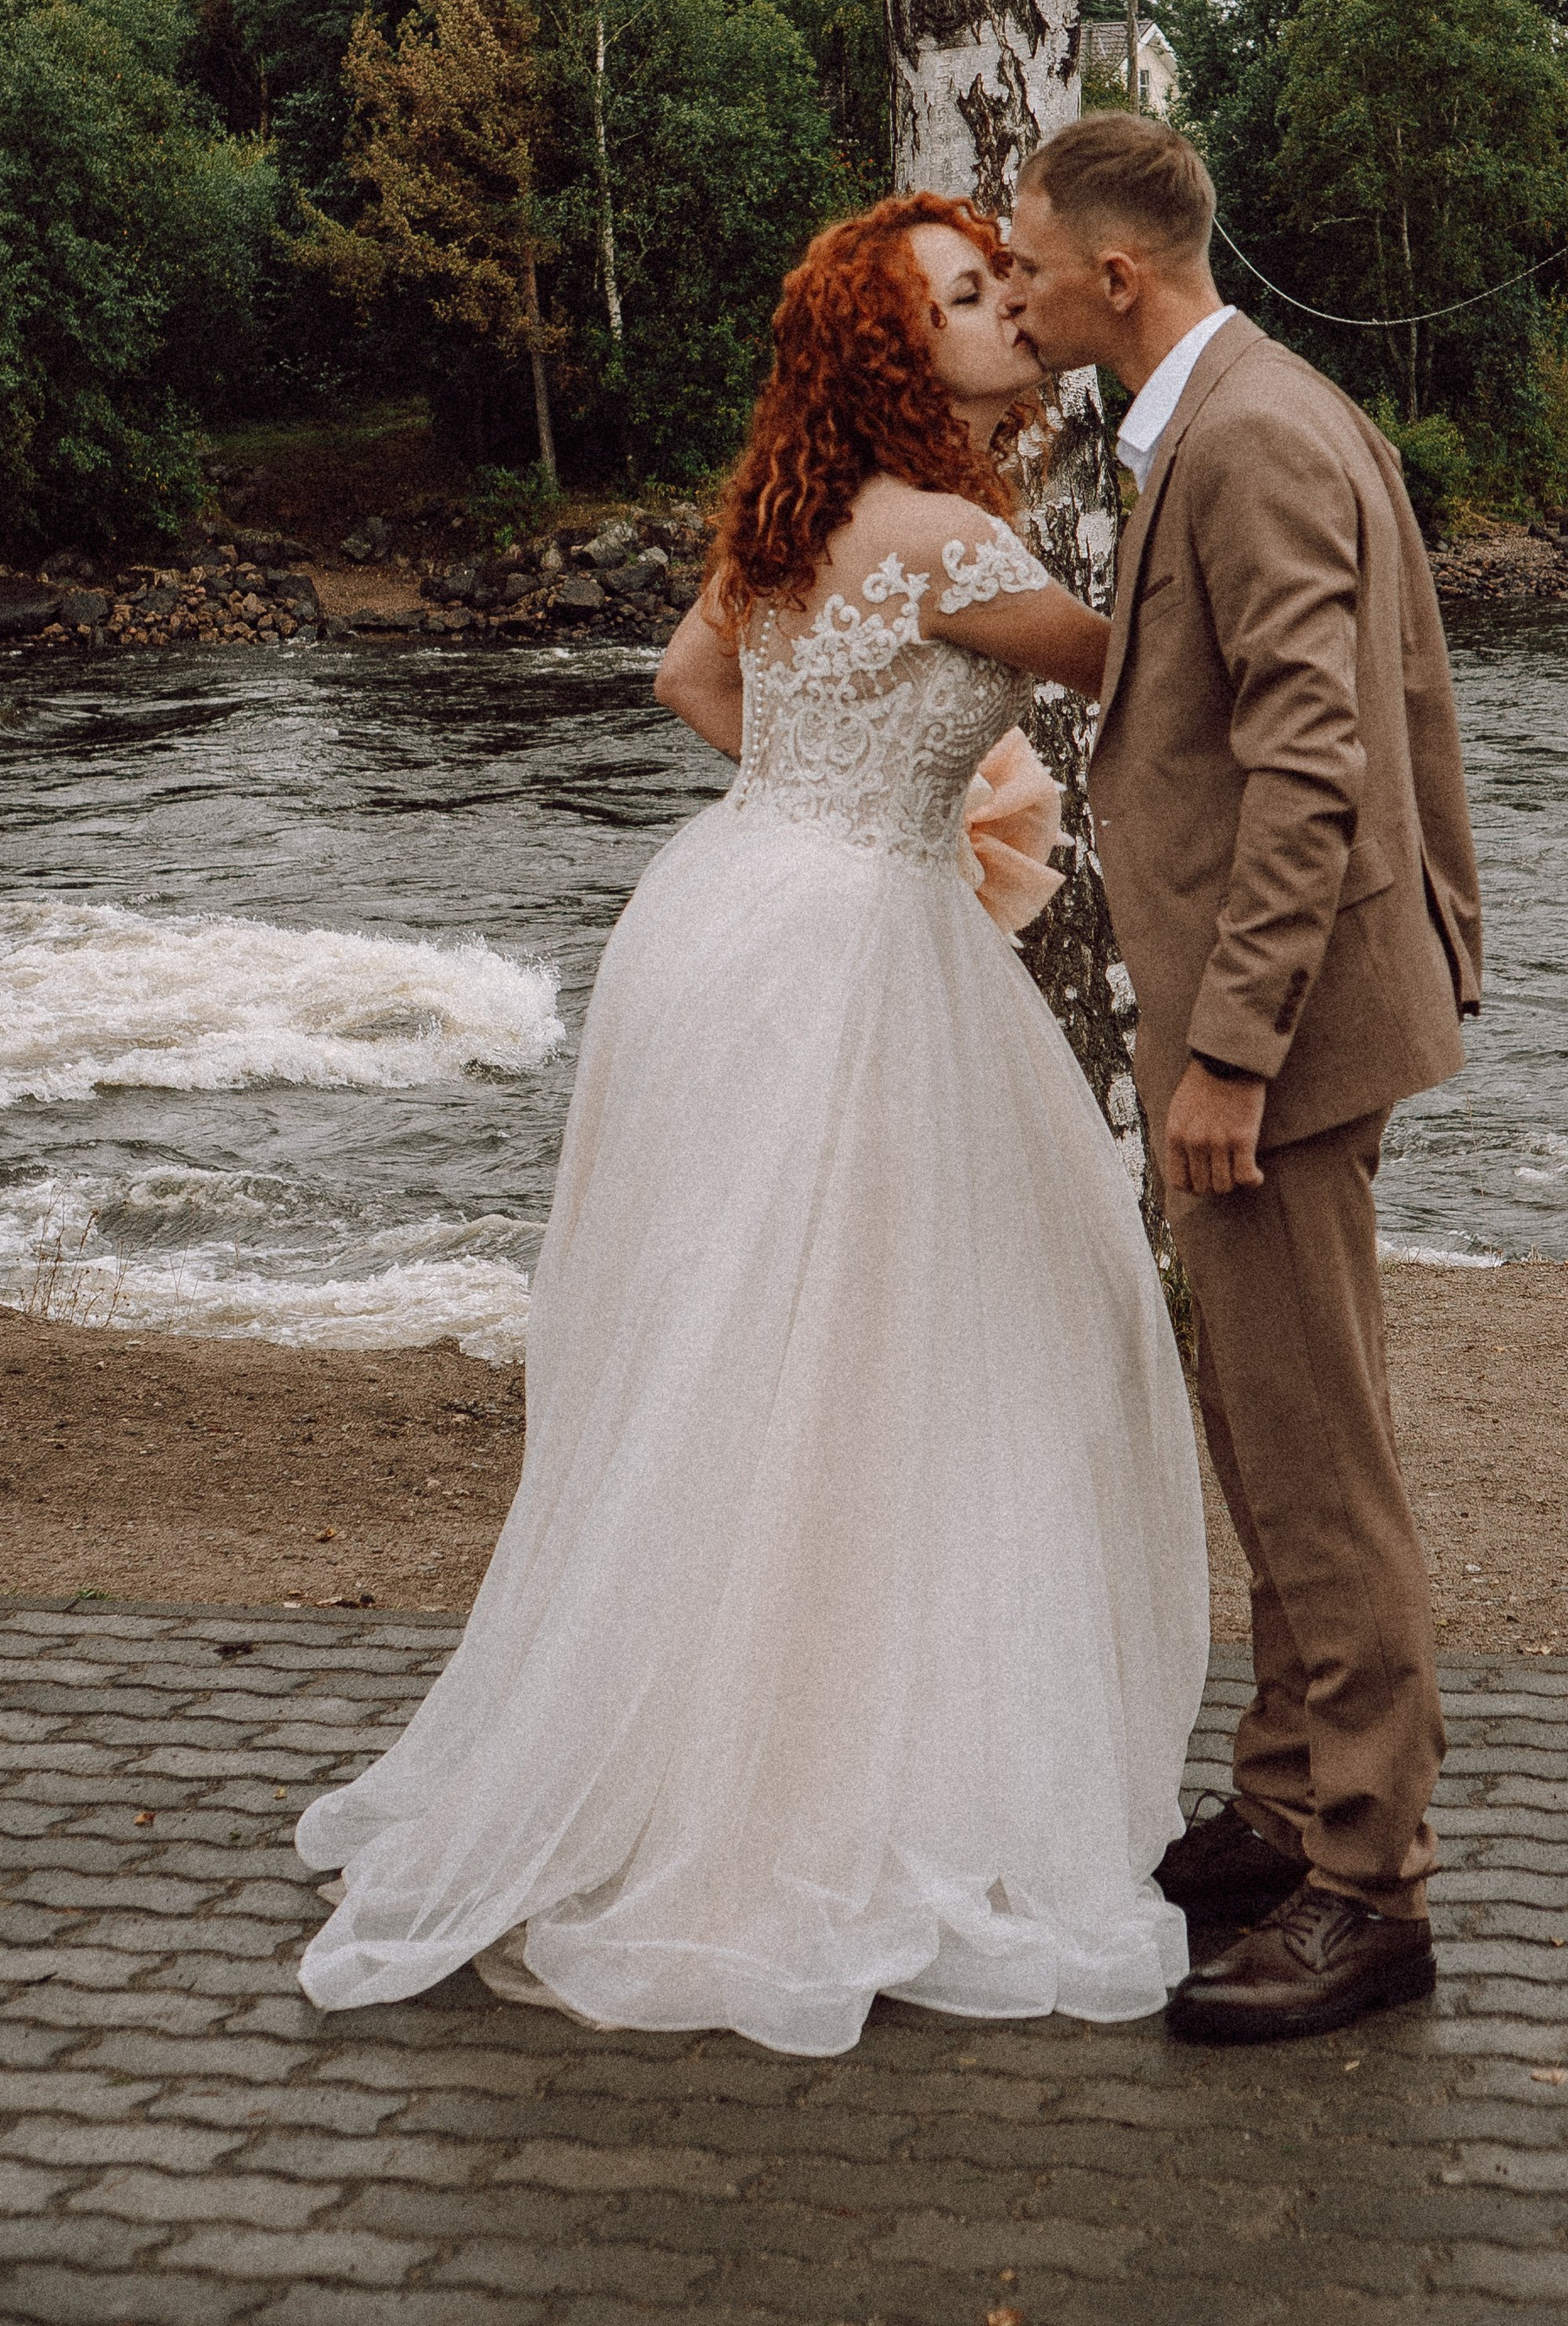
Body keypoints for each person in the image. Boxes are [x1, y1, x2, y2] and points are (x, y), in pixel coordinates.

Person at [294, 192, 1209, 2058]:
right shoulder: (951, 535)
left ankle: (702, 1737)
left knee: (734, 1346)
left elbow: (689, 682)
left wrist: (828, 791)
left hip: (722, 913)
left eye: (993, 281)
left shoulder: (785, 518)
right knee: (900, 1350)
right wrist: (892, 814)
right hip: (849, 950)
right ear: (895, 350)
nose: (1001, 314)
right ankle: (824, 1781)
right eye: (964, 298)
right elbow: (1139, 670)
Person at [1005, 115, 1483, 2048]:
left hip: (1272, 1043)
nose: (1017, 289)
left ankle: (1369, 1882)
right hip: (1263, 1025)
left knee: (1315, 1451)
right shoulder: (1222, 415)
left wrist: (1226, 1051)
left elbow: (1312, 767)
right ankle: (1288, 1797)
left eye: (1028, 260)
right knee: (1263, 1416)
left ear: (1113, 275)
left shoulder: (1255, 435)